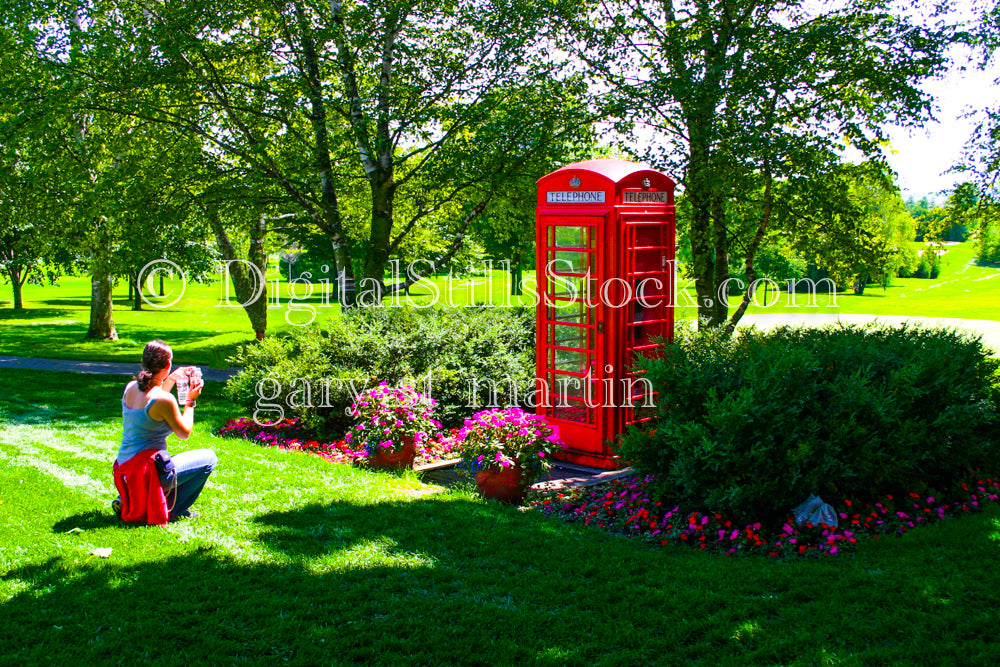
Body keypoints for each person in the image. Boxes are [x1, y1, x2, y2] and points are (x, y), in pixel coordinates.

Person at [113, 340, 217, 523]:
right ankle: (174, 509)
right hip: (148, 473)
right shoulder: (164, 400)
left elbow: (153, 399)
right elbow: (184, 433)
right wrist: (191, 402)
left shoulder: (130, 388)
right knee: (209, 458)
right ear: (167, 364)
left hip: (126, 469)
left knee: (170, 460)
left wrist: (170, 379)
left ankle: (127, 499)